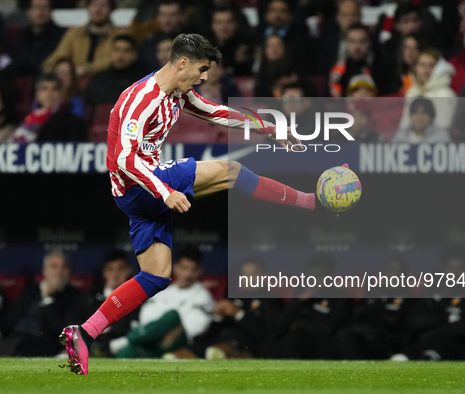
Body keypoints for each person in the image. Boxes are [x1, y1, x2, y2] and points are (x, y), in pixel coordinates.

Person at [60, 33, 331, 375]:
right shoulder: (142, 99)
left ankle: (84, 332)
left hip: (139, 195)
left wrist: (267, 127)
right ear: (182, 63)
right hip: (140, 186)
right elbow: (126, 159)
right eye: (202, 69)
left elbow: (215, 113)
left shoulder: (178, 92)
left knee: (156, 275)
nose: (205, 77)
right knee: (230, 171)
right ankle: (310, 203)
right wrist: (165, 192)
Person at [109, 247, 215, 359]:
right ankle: (126, 348)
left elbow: (196, 327)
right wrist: (156, 331)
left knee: (172, 315)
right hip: (152, 339)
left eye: (194, 270)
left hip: (179, 340)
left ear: (200, 271)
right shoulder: (162, 291)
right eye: (184, 268)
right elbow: (146, 317)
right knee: (129, 350)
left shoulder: (204, 296)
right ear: (176, 268)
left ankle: (126, 340)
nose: (188, 274)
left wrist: (163, 328)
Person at [0, 250, 86, 357]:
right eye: (54, 267)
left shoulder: (74, 297)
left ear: (69, 271)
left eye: (64, 267)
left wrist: (48, 298)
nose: (59, 272)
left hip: (42, 346)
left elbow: (61, 331)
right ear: (45, 270)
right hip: (15, 341)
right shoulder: (31, 290)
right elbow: (11, 316)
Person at [201, 258, 284, 359]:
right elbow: (215, 333)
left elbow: (267, 336)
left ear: (263, 275)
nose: (250, 278)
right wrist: (218, 316)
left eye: (254, 273)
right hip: (224, 342)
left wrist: (238, 313)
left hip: (254, 350)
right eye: (245, 275)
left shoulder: (271, 300)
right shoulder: (235, 297)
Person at [42, 0, 123, 77]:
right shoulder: (75, 33)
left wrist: (88, 69)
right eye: (94, 5)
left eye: (103, 5)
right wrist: (50, 66)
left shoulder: (120, 35)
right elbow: (61, 53)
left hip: (108, 80)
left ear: (112, 10)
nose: (98, 10)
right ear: (88, 8)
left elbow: (116, 59)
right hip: (75, 83)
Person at [84, 250, 134, 357]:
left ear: (128, 270)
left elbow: (125, 328)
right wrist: (108, 295)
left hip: (120, 347)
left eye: (120, 269)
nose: (115, 275)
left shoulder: (136, 296)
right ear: (104, 273)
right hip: (93, 344)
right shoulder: (91, 295)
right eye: (111, 270)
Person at [11, 73, 87, 143]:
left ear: (61, 94)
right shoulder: (30, 118)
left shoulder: (72, 121)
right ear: (37, 95)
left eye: (54, 89)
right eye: (44, 89)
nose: (49, 94)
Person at [84, 34, 146, 105]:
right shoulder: (99, 78)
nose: (120, 55)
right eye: (116, 50)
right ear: (111, 52)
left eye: (126, 51)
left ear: (135, 55)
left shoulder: (141, 81)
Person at [14, 0, 65, 78]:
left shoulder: (61, 35)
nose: (40, 13)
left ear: (51, 10)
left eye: (44, 8)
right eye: (36, 7)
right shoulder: (22, 35)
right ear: (28, 11)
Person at [329, 23, 381, 97]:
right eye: (352, 41)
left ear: (369, 43)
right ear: (346, 43)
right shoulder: (338, 70)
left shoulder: (380, 68)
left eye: (362, 41)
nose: (357, 47)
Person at [138, 0, 184, 74]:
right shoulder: (147, 44)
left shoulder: (191, 42)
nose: (168, 20)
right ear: (157, 17)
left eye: (172, 15)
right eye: (164, 15)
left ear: (180, 16)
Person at [317, 0, 361, 75]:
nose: (349, 19)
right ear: (338, 18)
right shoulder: (326, 41)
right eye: (345, 15)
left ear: (360, 17)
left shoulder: (370, 41)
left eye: (353, 14)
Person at [208, 6, 253, 76]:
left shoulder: (245, 45)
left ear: (236, 25)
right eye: (219, 23)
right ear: (212, 26)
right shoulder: (204, 47)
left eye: (229, 22)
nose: (224, 27)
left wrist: (240, 62)